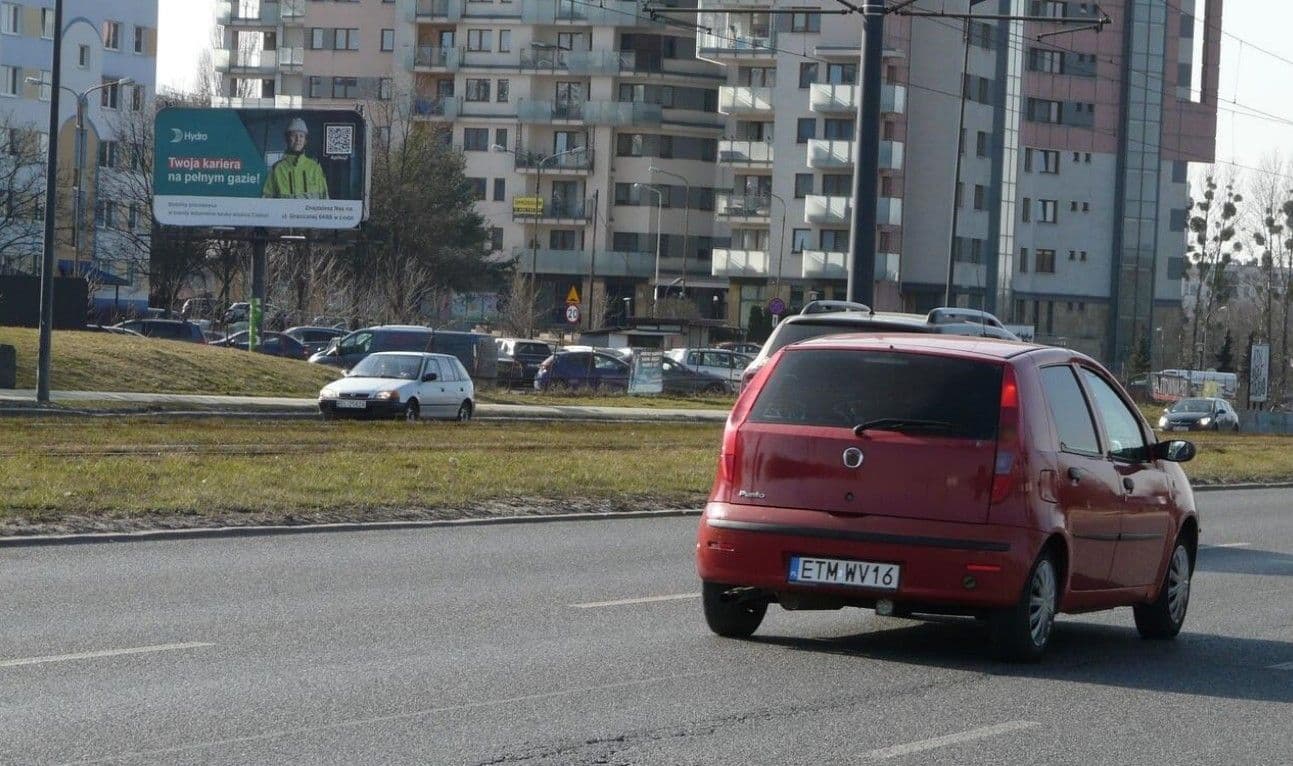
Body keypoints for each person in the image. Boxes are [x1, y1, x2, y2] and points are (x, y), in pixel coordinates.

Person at [262, 118, 329, 199]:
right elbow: (267, 199)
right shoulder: (277, 169)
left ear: (305, 141)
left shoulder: (315, 167)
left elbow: (325, 197)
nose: (298, 140)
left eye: (301, 136)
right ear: (287, 139)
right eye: (294, 135)